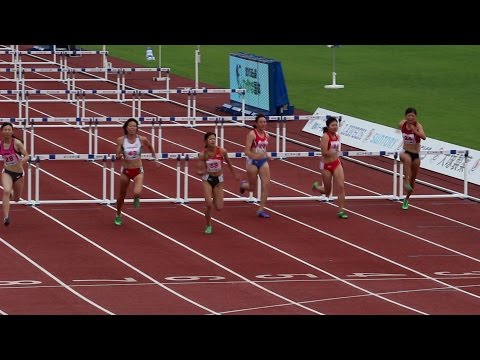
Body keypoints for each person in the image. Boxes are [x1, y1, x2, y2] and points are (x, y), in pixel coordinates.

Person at [114, 118, 156, 226]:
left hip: (138, 170)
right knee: (121, 195)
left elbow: (151, 147)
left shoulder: (142, 139)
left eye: (134, 126)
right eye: (130, 126)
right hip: (126, 170)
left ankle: (136, 198)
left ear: (137, 128)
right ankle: (118, 214)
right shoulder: (121, 140)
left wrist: (155, 159)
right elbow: (117, 154)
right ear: (126, 128)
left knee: (137, 192)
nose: (132, 128)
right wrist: (119, 155)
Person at [196, 132, 239, 234]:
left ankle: (215, 196)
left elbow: (229, 163)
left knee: (219, 207)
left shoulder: (222, 151)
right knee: (209, 204)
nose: (213, 141)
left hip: (219, 180)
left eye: (214, 139)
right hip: (207, 179)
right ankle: (208, 225)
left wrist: (235, 174)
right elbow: (198, 171)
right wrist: (204, 171)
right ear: (206, 141)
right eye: (210, 139)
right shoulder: (203, 154)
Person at [312, 116, 348, 219]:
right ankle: (317, 187)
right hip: (326, 166)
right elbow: (324, 152)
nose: (335, 127)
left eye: (336, 125)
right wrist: (333, 152)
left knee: (341, 187)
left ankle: (341, 210)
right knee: (327, 192)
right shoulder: (325, 137)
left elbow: (336, 151)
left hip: (336, 163)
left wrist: (337, 157)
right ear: (328, 127)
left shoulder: (337, 136)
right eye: (332, 125)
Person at [239, 114, 272, 218]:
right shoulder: (252, 134)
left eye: (264, 122)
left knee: (266, 185)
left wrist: (267, 155)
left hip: (263, 161)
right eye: (261, 122)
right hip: (252, 162)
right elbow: (246, 151)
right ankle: (243, 185)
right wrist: (255, 156)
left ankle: (261, 210)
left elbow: (264, 149)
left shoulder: (267, 135)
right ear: (256, 123)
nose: (263, 124)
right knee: (252, 187)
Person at [0, 122, 29, 226]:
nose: (7, 131)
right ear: (2, 132)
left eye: (9, 129)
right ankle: (6, 217)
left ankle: (11, 195)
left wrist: (21, 162)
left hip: (18, 174)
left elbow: (26, 156)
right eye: (5, 129)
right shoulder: (1, 144)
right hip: (7, 172)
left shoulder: (17, 143)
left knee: (16, 199)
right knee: (6, 191)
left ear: (12, 131)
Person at [398, 107, 426, 210]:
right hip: (405, 152)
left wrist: (415, 131)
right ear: (406, 116)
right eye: (408, 115)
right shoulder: (403, 124)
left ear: (415, 117)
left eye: (412, 116)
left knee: (413, 181)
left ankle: (406, 199)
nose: (410, 117)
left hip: (416, 155)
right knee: (407, 159)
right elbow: (398, 125)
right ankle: (406, 181)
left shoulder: (418, 126)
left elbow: (424, 137)